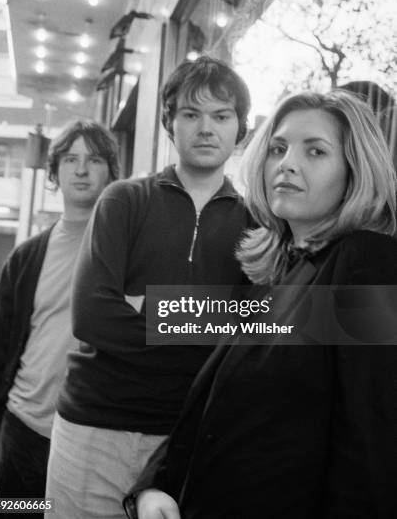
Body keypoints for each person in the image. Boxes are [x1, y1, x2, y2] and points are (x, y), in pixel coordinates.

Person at [128, 90, 397, 519]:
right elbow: (215, 400)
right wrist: (155, 485)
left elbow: (370, 448)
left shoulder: (365, 260)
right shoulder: (282, 273)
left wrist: (156, 312)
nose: (287, 163)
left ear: (354, 172)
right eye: (278, 147)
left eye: (316, 151)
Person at [45, 56, 252, 518]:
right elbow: (93, 316)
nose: (205, 128)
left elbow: (254, 335)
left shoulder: (255, 223)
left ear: (240, 128)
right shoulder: (124, 199)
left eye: (221, 116)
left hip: (184, 437)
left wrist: (147, 308)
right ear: (168, 123)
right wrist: (216, 317)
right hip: (94, 426)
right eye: (190, 114)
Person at [0, 120, 119, 516]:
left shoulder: (126, 251)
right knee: (21, 513)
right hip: (25, 432)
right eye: (71, 159)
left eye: (93, 160)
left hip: (91, 438)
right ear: (55, 172)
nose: (81, 170)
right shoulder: (25, 258)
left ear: (111, 171)